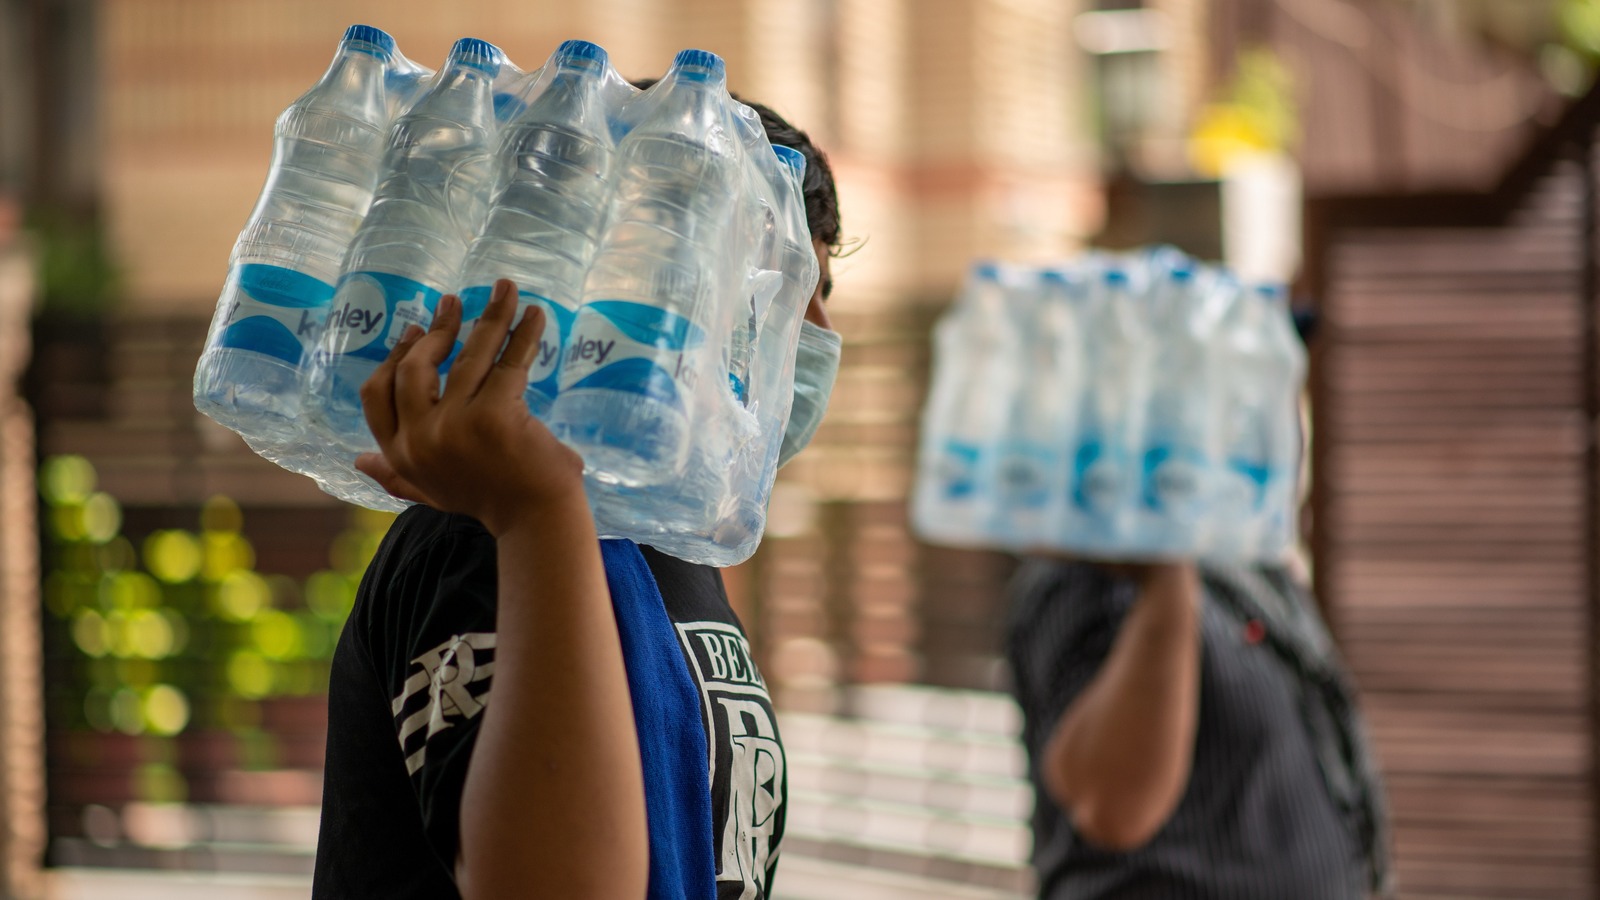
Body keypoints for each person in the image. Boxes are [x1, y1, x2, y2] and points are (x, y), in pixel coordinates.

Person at [310, 98, 841, 900]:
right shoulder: (489, 537)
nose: (820, 332)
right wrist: (537, 515)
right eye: (782, 295)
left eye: (821, 292)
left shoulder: (663, 540)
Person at [1005, 322, 1393, 899]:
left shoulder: (1250, 561)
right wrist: (1165, 577)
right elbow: (1109, 804)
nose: (1283, 430)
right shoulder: (1102, 573)